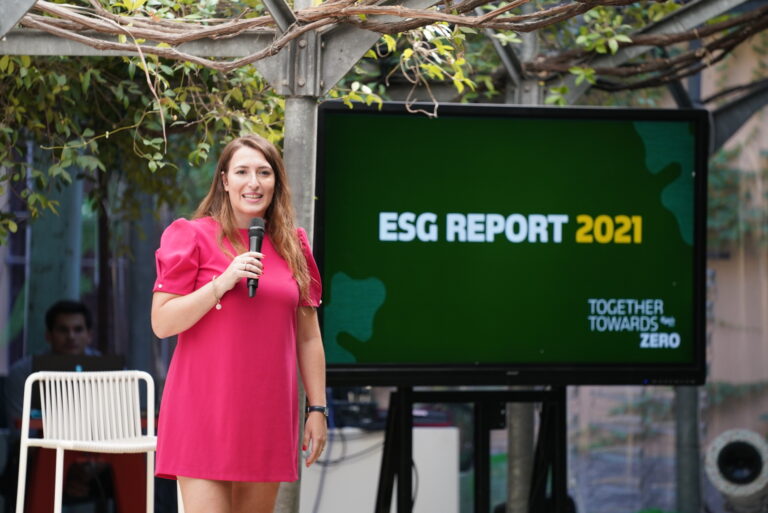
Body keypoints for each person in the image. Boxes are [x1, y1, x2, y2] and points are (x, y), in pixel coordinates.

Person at [151, 134, 327, 513]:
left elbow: (309, 339)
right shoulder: (192, 235)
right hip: (204, 411)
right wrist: (223, 282)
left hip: (266, 413)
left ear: (276, 181)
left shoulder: (294, 245)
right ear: (225, 180)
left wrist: (318, 408)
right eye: (242, 171)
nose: (254, 182)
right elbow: (162, 323)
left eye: (264, 172)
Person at [2, 300, 112, 507]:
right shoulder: (23, 373)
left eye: (78, 329)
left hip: (98, 461)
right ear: (49, 335)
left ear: (89, 335)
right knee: (19, 469)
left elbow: (118, 431)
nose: (71, 336)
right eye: (63, 330)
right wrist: (67, 471)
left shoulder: (111, 372)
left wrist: (88, 468)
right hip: (38, 460)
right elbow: (21, 436)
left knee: (141, 468)